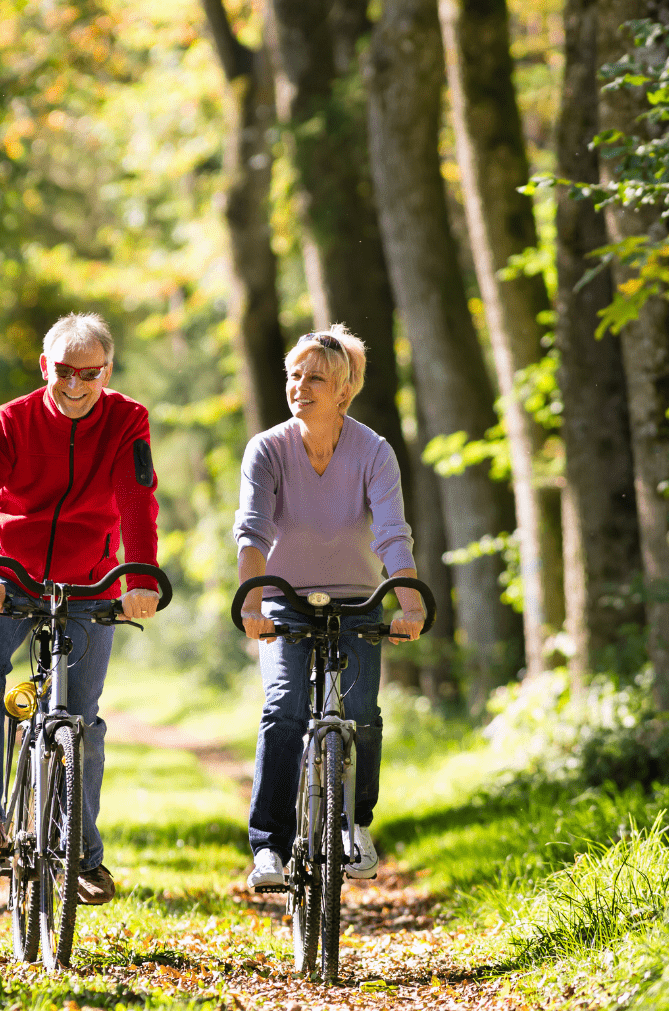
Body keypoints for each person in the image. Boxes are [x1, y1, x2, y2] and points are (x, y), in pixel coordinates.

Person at [0, 312, 161, 905]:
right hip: (7, 576)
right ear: (45, 367)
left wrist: (140, 576)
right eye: (63, 371)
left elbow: (136, 500)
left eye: (88, 373)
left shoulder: (126, 419)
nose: (74, 385)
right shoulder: (11, 421)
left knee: (81, 721)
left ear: (107, 371)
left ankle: (83, 856)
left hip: (90, 581)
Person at [232, 325, 426, 890]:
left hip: (359, 601)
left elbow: (393, 534)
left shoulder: (374, 451)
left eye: (315, 377)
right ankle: (269, 847)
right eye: (294, 375)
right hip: (286, 603)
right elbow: (252, 532)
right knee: (284, 707)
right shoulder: (267, 449)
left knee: (361, 714)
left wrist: (408, 603)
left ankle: (356, 825)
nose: (300, 386)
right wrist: (251, 600)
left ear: (344, 391)